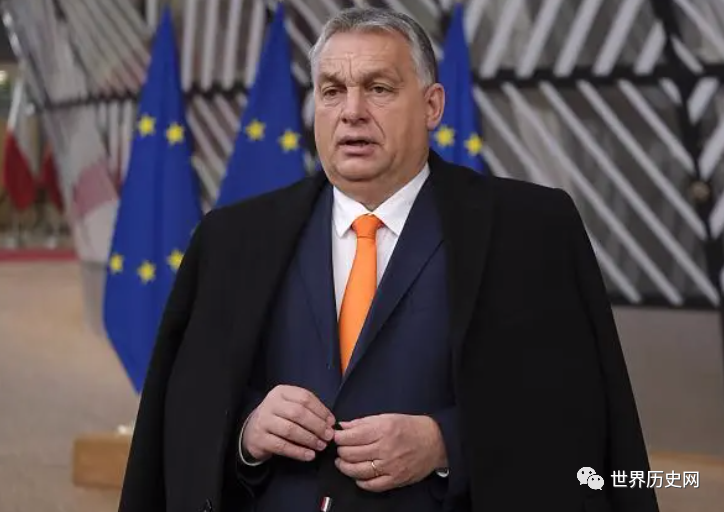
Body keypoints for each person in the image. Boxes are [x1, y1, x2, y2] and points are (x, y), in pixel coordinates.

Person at [117, 7, 659, 512]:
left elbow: (575, 415)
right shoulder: (231, 240)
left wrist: (447, 444)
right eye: (333, 91)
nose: (352, 112)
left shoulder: (530, 231)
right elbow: (181, 416)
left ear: (432, 106)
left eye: (378, 89)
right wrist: (246, 434)